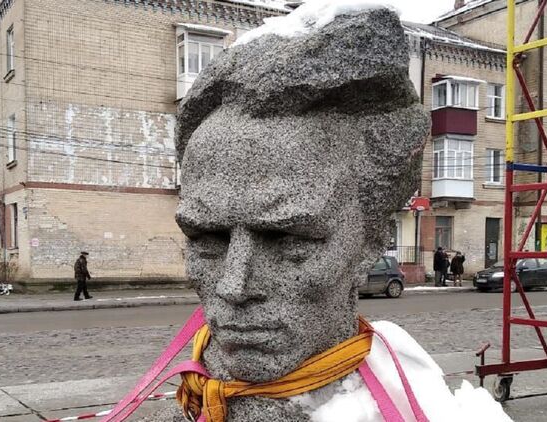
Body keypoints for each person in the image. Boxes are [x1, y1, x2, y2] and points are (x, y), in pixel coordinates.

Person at [105, 4, 510, 422]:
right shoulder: (195, 401)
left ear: (370, 241)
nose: (234, 287)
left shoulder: (424, 407)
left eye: (288, 240)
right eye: (208, 239)